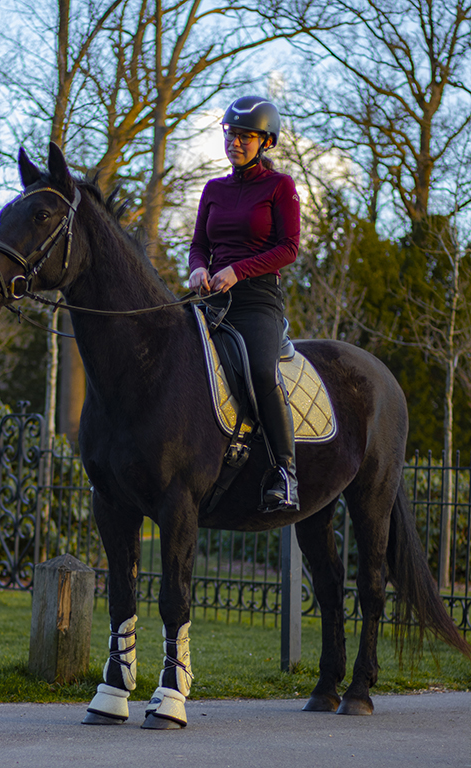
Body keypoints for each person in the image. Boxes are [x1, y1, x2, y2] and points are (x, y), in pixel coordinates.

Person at [189, 95, 300, 513]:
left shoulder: (280, 186)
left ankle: (284, 471)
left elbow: (289, 248)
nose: (234, 142)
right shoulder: (213, 189)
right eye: (230, 134)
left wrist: (238, 270)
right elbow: (199, 245)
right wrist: (197, 269)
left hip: (257, 300)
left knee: (258, 368)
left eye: (245, 137)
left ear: (265, 142)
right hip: (212, 297)